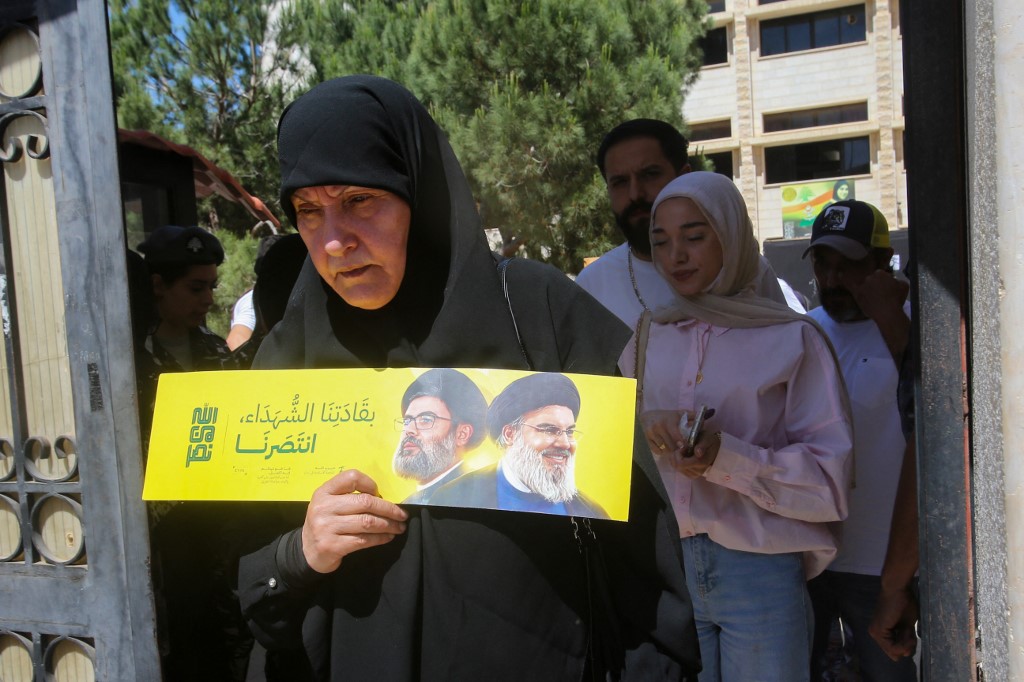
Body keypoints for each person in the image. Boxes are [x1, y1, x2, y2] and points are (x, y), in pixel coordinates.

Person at [236, 75, 700, 680]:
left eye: (358, 201)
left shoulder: (537, 312)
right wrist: (303, 552)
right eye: (307, 210)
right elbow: (254, 593)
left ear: (419, 196)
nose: (333, 242)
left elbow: (643, 559)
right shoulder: (287, 361)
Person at [621, 171, 853, 681]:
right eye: (661, 241)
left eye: (695, 236)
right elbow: (610, 453)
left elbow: (829, 485)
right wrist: (642, 427)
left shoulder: (793, 339)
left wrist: (724, 457)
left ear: (731, 234)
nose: (675, 255)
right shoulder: (647, 337)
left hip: (759, 572)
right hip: (667, 571)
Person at [803, 200, 916, 680]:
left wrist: (889, 316)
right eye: (823, 265)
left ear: (882, 262)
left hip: (883, 568)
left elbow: (933, 407)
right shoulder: (805, 330)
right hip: (812, 559)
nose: (832, 281)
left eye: (847, 266)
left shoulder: (914, 327)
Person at [575, 119, 794, 332]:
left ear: (684, 176)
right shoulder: (593, 284)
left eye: (650, 175)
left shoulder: (746, 273)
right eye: (620, 182)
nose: (635, 194)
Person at [431, 373, 607, 518]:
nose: (565, 443)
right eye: (549, 429)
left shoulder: (592, 512)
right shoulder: (452, 497)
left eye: (569, 431)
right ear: (510, 434)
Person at [393, 368, 488, 504]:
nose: (409, 430)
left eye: (425, 419)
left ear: (462, 434)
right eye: (407, 421)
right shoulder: (408, 503)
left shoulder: (481, 497)